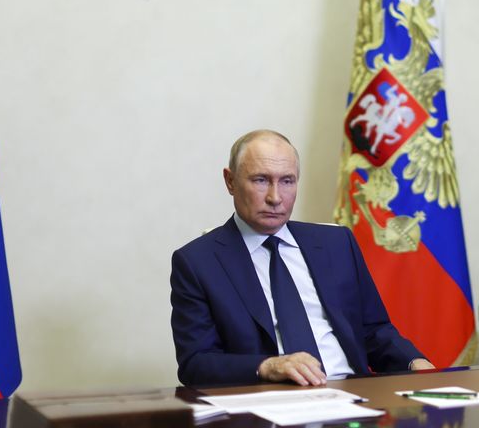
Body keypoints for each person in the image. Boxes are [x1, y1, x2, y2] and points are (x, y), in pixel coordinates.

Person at [170, 129, 434, 386]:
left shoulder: (337, 244)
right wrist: (267, 366)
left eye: (287, 181)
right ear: (230, 181)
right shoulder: (197, 263)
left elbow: (373, 331)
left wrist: (414, 362)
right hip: (272, 404)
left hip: (351, 397)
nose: (275, 197)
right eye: (260, 180)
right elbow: (196, 364)